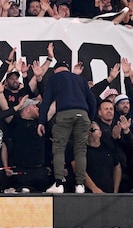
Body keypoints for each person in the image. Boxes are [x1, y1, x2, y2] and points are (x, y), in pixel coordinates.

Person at [38, 60, 97, 193]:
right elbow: (92, 100)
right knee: (81, 150)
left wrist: (42, 121)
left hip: (64, 113)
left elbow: (46, 100)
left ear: (55, 70)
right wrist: (90, 118)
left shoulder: (54, 78)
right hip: (83, 114)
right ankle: (80, 185)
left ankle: (59, 183)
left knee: (59, 148)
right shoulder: (80, 79)